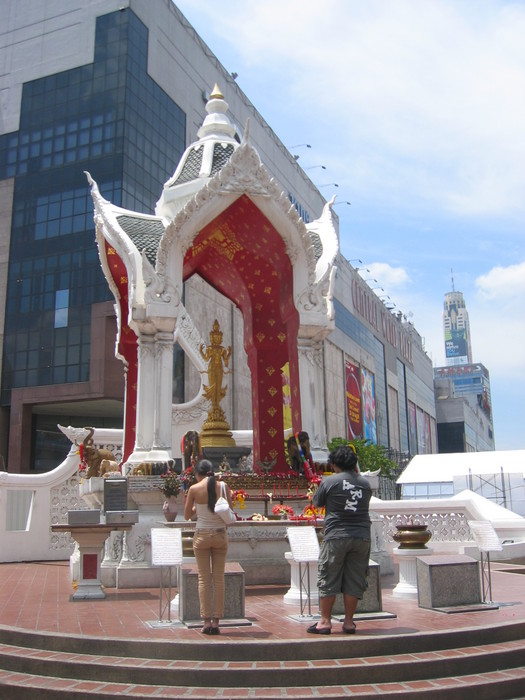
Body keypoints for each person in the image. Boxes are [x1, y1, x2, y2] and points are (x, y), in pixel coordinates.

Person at [307, 445, 372, 635]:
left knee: (328, 576)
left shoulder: (330, 482)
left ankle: (325, 621)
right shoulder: (365, 484)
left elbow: (317, 502)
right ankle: (349, 622)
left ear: (334, 464)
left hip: (336, 535)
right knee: (355, 579)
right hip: (361, 536)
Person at [184, 458, 234, 635]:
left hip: (202, 535)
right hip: (220, 534)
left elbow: (187, 515)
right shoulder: (223, 486)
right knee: (219, 578)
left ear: (198, 474)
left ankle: (206, 621)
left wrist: (199, 508)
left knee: (204, 579)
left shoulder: (194, 489)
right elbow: (230, 508)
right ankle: (217, 621)